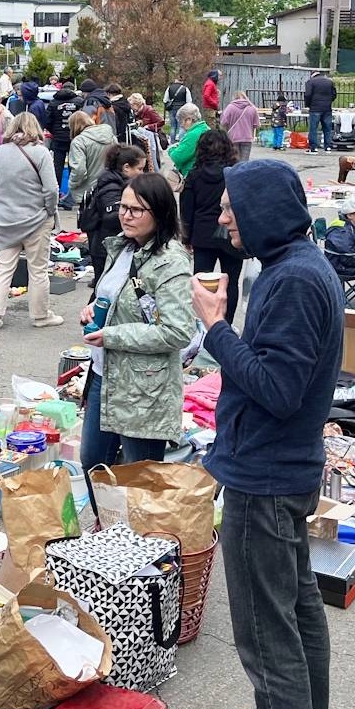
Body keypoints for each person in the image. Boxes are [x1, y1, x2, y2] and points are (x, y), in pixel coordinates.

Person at [191, 160, 341, 709]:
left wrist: (216, 328)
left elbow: (278, 389)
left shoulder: (295, 279)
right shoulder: (292, 265)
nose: (223, 216)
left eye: (232, 206)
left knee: (265, 641)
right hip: (283, 473)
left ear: (263, 211)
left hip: (266, 482)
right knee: (298, 617)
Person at [79, 172, 193, 469]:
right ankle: (106, 517)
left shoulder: (170, 262)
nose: (125, 216)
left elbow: (178, 331)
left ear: (160, 212)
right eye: (123, 207)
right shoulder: (121, 246)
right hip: (104, 376)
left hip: (143, 388)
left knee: (137, 475)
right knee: (93, 462)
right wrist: (91, 310)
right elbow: (109, 298)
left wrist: (112, 335)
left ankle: (130, 519)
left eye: (136, 210)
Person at [0, 113, 63, 333]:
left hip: (5, 221)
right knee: (38, 270)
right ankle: (41, 316)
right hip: (36, 220)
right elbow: (52, 189)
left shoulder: (0, 152)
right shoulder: (41, 153)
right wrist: (50, 211)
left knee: (4, 267)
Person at [180, 129, 244, 323]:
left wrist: (187, 237)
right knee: (231, 281)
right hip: (230, 231)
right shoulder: (235, 175)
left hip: (202, 233)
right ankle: (228, 322)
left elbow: (186, 208)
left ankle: (203, 322)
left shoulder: (194, 176)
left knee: (201, 282)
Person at [81, 143, 148, 287]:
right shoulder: (112, 186)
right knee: (105, 291)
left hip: (108, 244)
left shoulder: (116, 182)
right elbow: (111, 216)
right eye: (140, 169)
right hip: (105, 247)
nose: (142, 173)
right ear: (126, 167)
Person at [67, 109, 117, 210]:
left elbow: (79, 170)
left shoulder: (79, 141)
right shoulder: (110, 136)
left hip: (88, 191)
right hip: (109, 186)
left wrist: (72, 184)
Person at [46, 80, 80, 207]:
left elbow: (47, 120)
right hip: (74, 138)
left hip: (58, 139)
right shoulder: (78, 102)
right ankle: (72, 196)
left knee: (57, 167)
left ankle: (55, 194)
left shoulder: (54, 102)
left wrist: (54, 131)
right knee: (74, 167)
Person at [167, 103, 208, 178]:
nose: (181, 125)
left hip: (192, 174)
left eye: (181, 121)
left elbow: (178, 157)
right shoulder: (204, 128)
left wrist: (171, 149)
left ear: (189, 119)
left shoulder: (193, 134)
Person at [220, 90, 261, 163]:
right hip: (247, 138)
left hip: (233, 137)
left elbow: (223, 122)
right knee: (244, 162)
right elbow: (257, 125)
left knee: (234, 161)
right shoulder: (252, 108)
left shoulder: (230, 107)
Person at [303, 70, 337, 153]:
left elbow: (307, 94)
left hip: (315, 108)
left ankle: (313, 148)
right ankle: (328, 147)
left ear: (312, 75)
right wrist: (329, 101)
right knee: (327, 129)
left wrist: (308, 105)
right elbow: (334, 94)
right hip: (327, 108)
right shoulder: (329, 82)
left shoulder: (310, 82)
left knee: (313, 129)